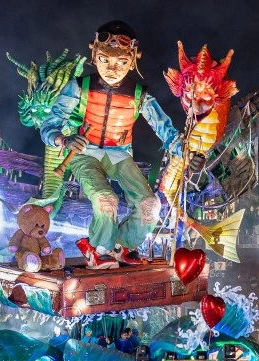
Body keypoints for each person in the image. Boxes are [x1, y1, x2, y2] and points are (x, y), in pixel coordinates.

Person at [38, 21, 180, 253]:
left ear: (133, 60)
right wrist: (64, 140)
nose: (112, 68)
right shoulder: (79, 87)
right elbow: (49, 125)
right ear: (95, 53)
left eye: (121, 62)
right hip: (85, 153)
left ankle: (121, 247)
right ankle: (100, 251)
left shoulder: (139, 95)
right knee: (106, 200)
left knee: (150, 205)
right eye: (105, 60)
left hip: (120, 154)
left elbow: (166, 131)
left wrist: (190, 153)